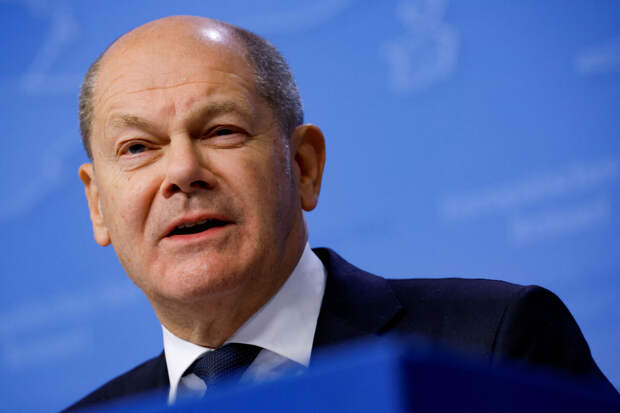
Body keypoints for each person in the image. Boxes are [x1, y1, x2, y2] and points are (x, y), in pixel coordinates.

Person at [66, 15, 617, 411]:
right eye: (137, 148)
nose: (184, 170)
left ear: (304, 166)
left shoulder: (492, 342)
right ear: (98, 205)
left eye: (222, 131)